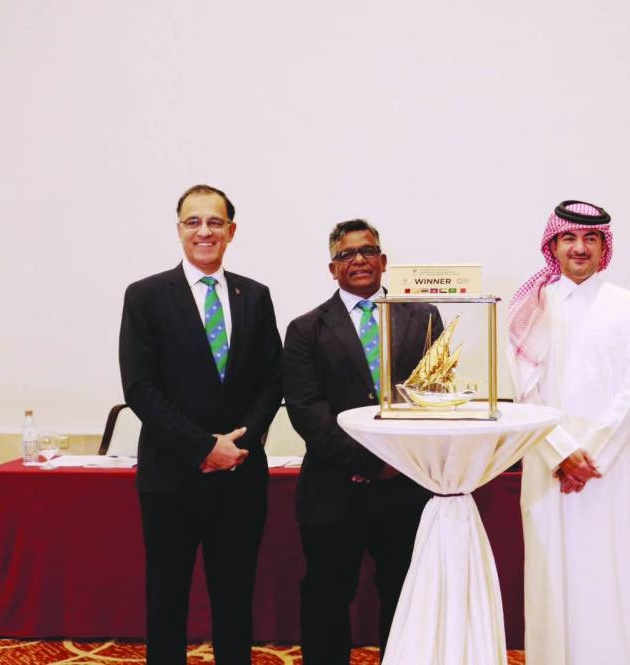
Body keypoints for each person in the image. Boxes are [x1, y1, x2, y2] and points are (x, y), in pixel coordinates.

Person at [119, 184, 283, 664]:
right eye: (193, 222)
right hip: (171, 478)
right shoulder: (145, 296)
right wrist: (201, 448)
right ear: (179, 230)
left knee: (235, 602)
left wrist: (237, 446)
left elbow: (272, 382)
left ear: (231, 231)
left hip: (240, 475)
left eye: (215, 222)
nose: (204, 231)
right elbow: (140, 388)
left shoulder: (255, 296)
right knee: (167, 602)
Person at [282, 219, 442, 664]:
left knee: (404, 597)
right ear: (332, 268)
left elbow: (434, 395)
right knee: (326, 600)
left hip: (406, 489)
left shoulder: (424, 317)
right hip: (334, 491)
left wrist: (397, 460)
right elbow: (307, 410)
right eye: (346, 255)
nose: (358, 260)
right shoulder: (305, 330)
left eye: (368, 251)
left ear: (384, 261)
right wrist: (371, 462)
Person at [508, 200, 630, 665]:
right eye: (569, 238)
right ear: (553, 244)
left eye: (591, 239)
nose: (580, 248)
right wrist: (562, 454)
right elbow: (525, 393)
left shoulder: (627, 306)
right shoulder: (531, 307)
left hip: (611, 474)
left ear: (604, 247)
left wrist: (592, 457)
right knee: (553, 581)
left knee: (612, 575)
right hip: (549, 469)